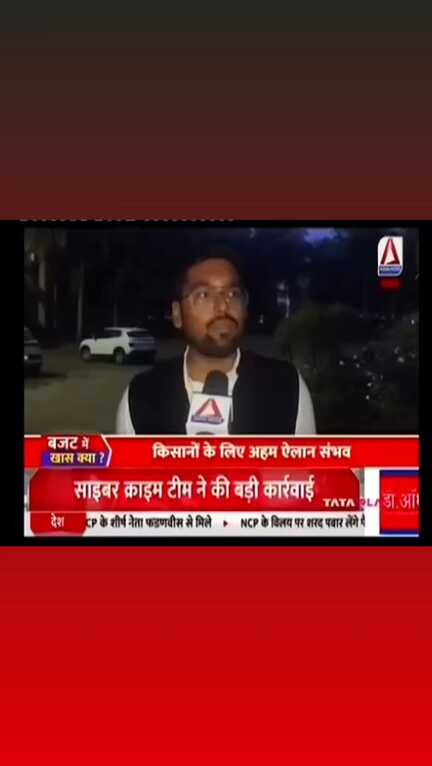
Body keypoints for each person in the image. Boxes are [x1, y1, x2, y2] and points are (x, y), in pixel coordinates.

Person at [115, 250, 316, 434]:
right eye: (204, 294)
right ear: (177, 314)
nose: (223, 307)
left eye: (233, 294)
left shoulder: (288, 385)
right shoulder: (141, 395)